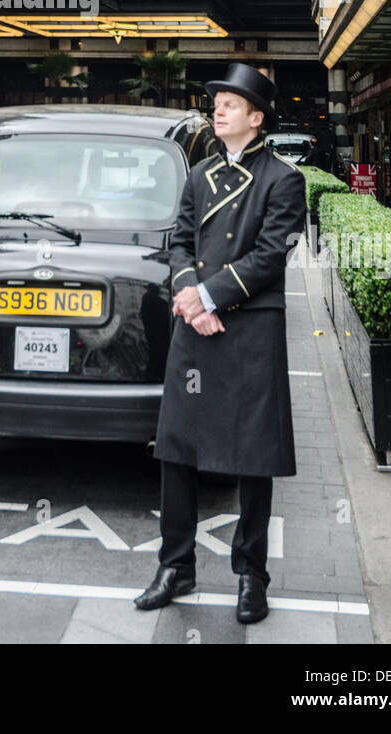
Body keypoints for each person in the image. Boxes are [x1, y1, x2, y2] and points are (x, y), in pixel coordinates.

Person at [134, 63, 307, 623]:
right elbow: (180, 241)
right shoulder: (201, 172)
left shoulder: (284, 179)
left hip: (251, 326)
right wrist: (189, 298)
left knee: (253, 456)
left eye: (230, 104)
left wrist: (209, 298)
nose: (218, 109)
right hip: (198, 324)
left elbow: (268, 257)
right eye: (217, 102)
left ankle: (252, 576)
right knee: (177, 447)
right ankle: (175, 566)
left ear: (255, 119)